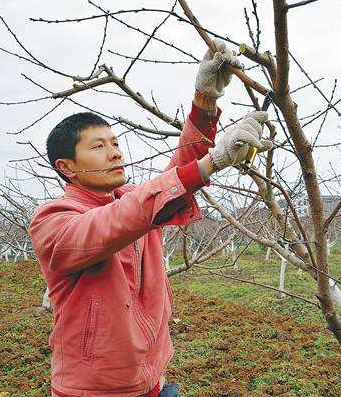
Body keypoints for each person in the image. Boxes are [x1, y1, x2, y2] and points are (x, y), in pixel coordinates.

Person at [28, 40, 273, 397]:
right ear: (66, 168)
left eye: (115, 143)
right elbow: (115, 221)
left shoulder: (133, 201)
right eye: (98, 146)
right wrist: (210, 163)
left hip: (152, 376)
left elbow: (170, 183)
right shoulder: (54, 221)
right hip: (95, 389)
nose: (114, 153)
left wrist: (204, 103)